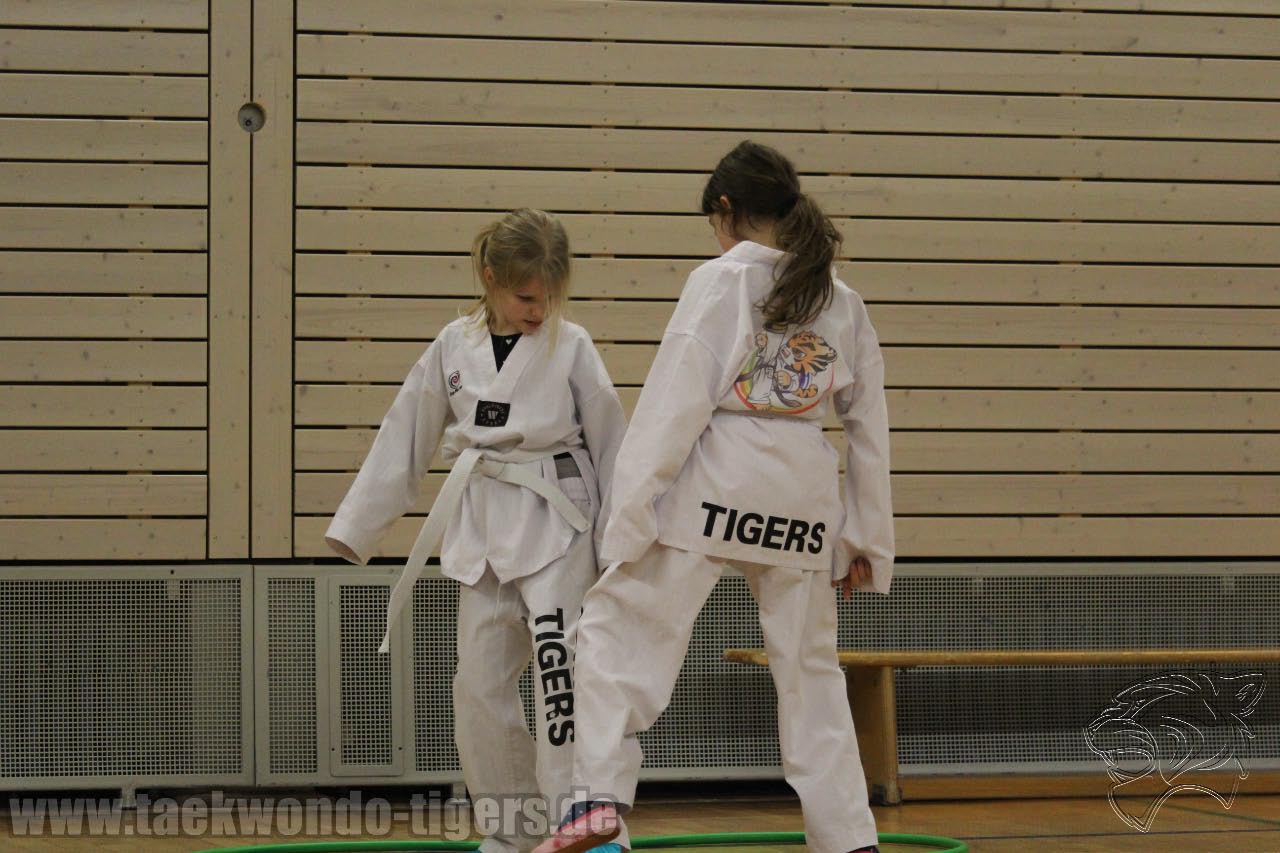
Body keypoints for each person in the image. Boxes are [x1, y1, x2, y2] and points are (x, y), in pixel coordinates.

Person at [533, 142, 894, 853]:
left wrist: (629, 518)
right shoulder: (842, 299)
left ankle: (597, 802)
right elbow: (868, 427)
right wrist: (863, 542)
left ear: (725, 210)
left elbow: (674, 404)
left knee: (615, 633)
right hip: (802, 496)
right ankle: (850, 840)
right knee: (812, 678)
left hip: (716, 483)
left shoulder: (721, 280)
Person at [324, 208, 627, 853]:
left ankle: (582, 825)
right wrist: (358, 525)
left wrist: (619, 542)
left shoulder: (572, 344)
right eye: (525, 298)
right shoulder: (451, 345)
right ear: (491, 277)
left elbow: (611, 443)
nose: (538, 312)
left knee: (560, 678)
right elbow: (406, 432)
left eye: (548, 299)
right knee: (478, 687)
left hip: (559, 521)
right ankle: (511, 831)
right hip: (483, 526)